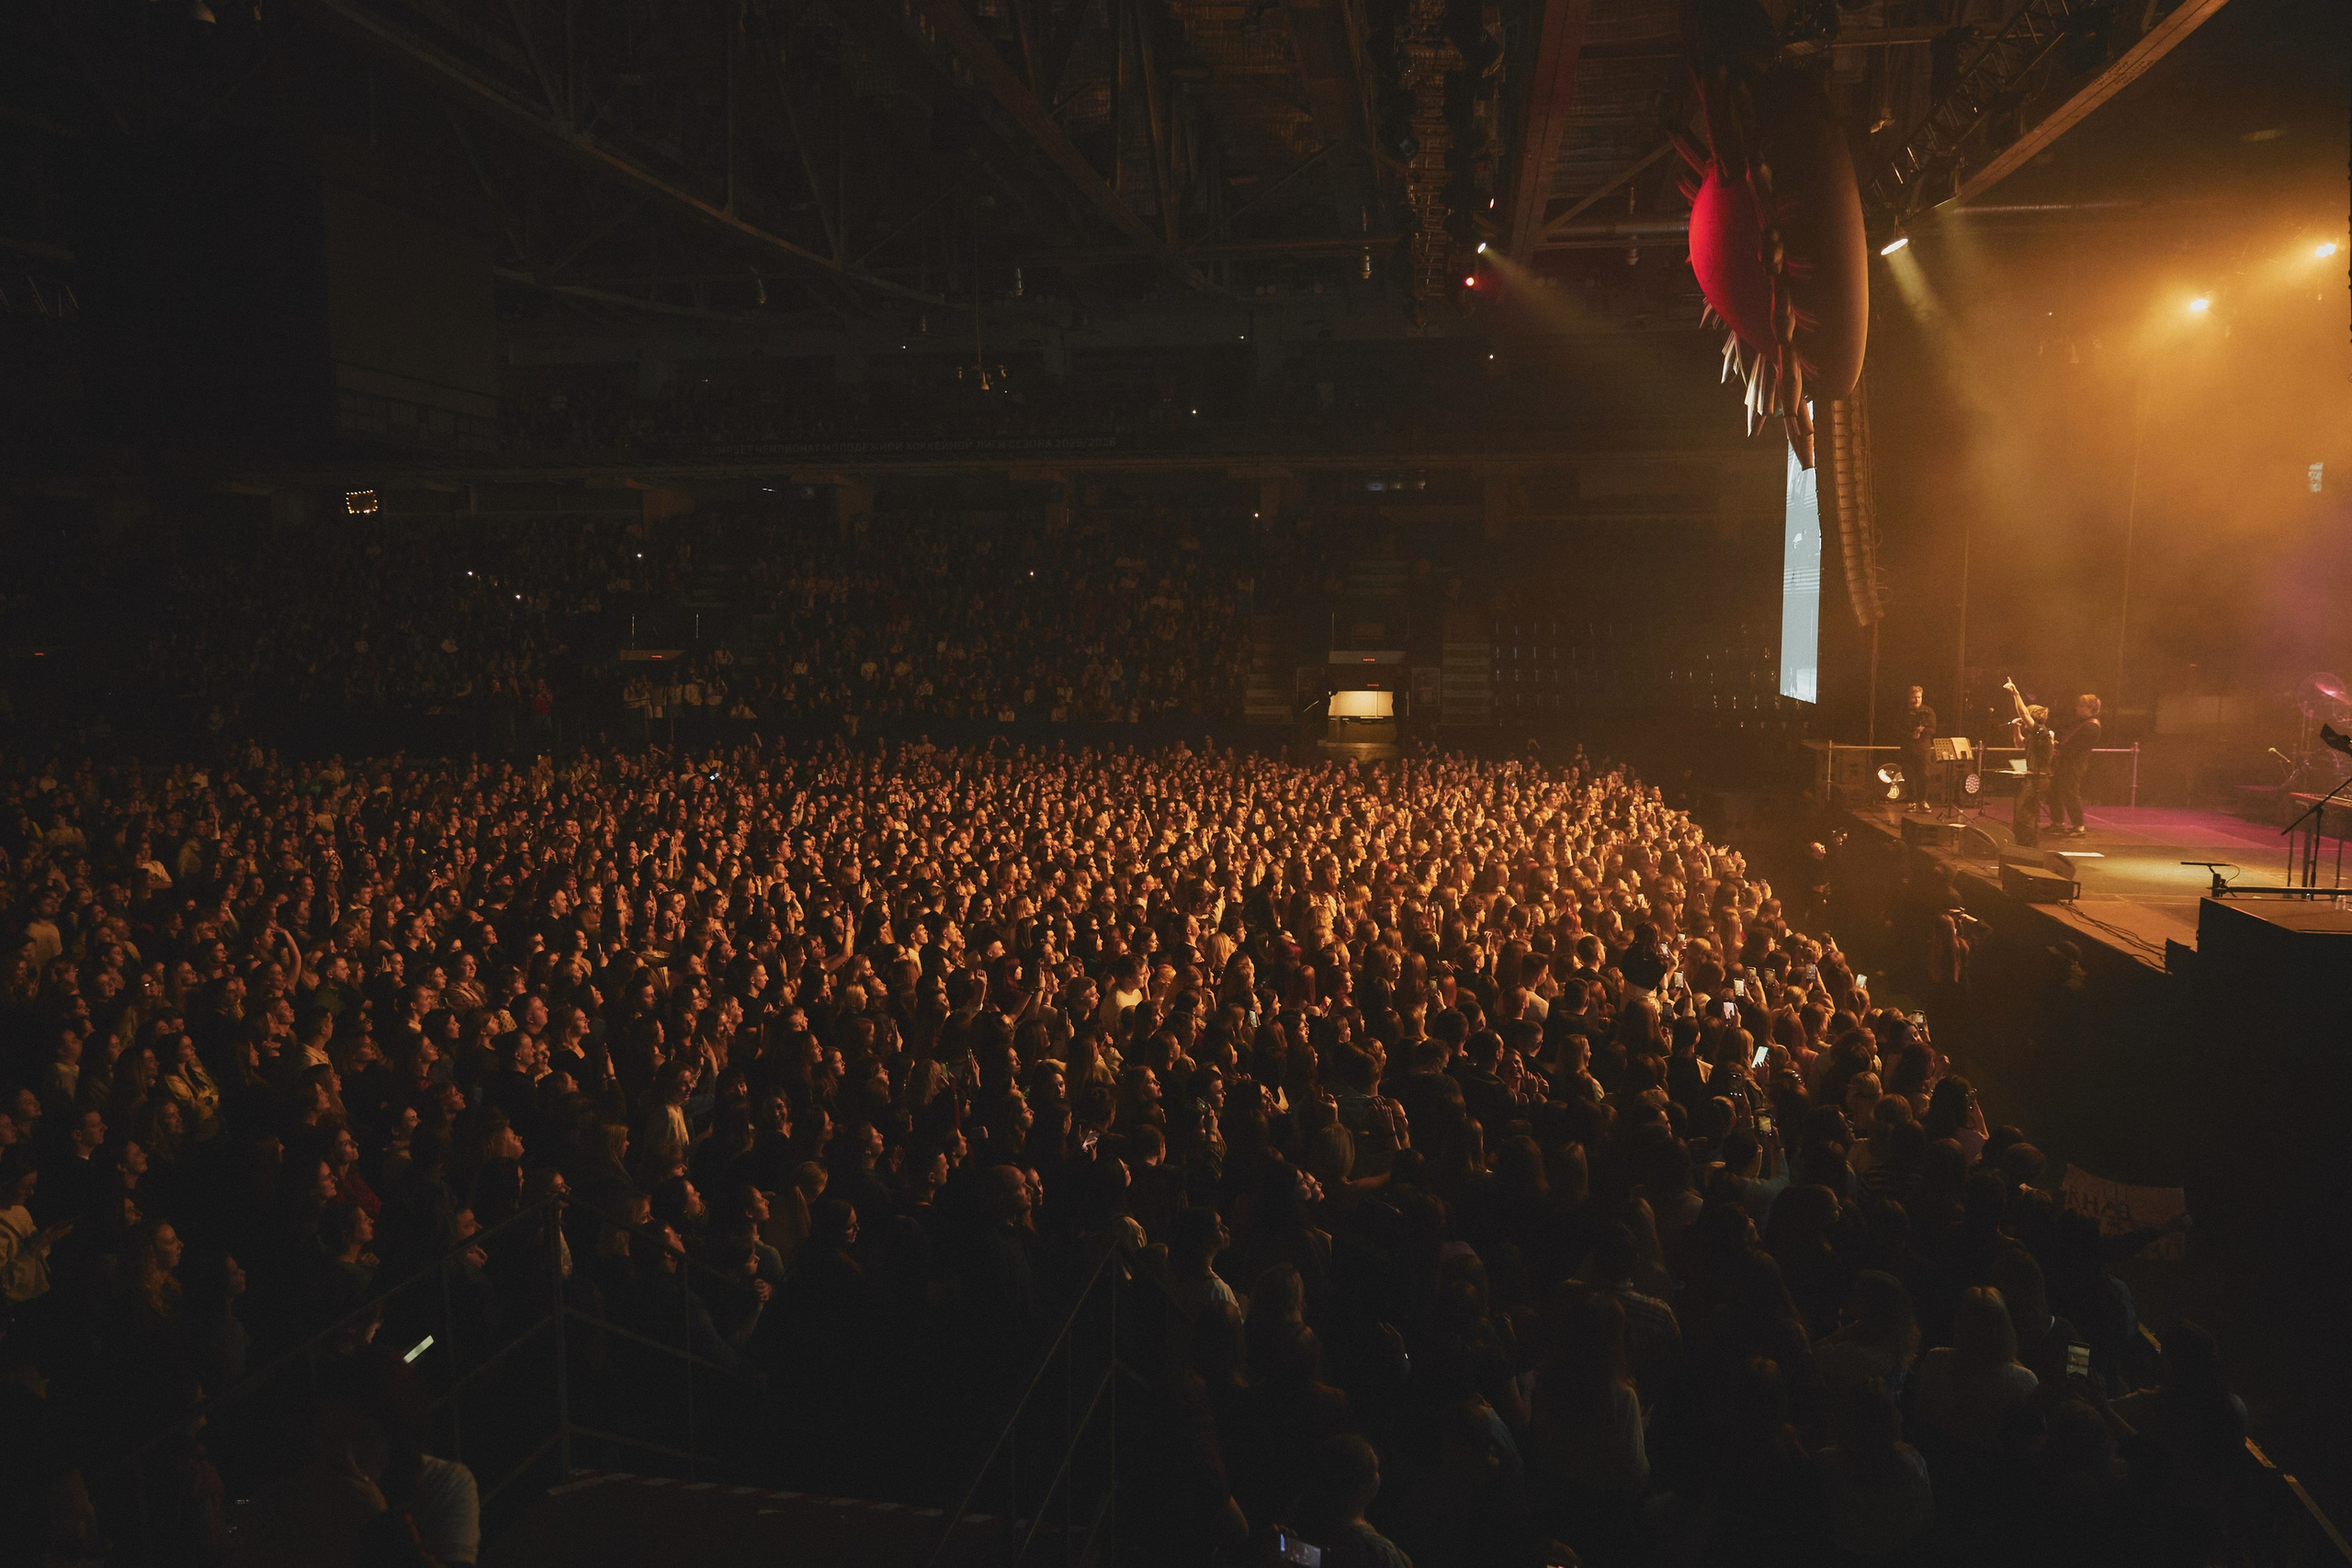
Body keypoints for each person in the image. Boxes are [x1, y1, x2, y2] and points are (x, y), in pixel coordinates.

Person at [2002, 679, 2054, 848]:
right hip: (2033, 779)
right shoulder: (2034, 736)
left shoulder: (2041, 731)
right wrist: (2016, 728)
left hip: (2038, 780)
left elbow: (2024, 713)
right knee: (2023, 815)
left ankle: (2028, 847)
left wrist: (2016, 694)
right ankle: (2026, 845)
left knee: (2026, 816)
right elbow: (2019, 744)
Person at [2050, 693, 2102, 838]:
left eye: (2081, 706)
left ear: (2091, 708)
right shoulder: (2082, 723)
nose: (2077, 708)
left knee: (2070, 792)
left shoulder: (2091, 726)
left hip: (2074, 764)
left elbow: (2075, 748)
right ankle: (2058, 822)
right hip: (2068, 762)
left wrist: (2058, 748)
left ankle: (2078, 825)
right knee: (2056, 791)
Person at [1898, 685, 1939, 812]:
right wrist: (1911, 734)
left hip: (1923, 749)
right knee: (1909, 775)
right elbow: (1897, 729)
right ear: (1909, 698)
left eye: (1919, 697)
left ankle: (1923, 800)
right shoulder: (1903, 712)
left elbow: (1933, 729)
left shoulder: (1928, 711)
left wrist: (1923, 730)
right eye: (1914, 698)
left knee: (1924, 775)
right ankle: (1911, 801)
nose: (1916, 700)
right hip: (1908, 748)